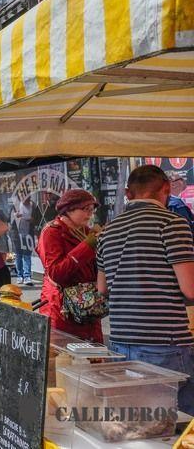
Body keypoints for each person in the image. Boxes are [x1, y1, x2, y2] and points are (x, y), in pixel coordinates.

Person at [97, 166, 194, 414]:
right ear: (166, 189)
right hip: (164, 343)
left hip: (120, 342)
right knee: (177, 422)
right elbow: (190, 289)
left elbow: (102, 288)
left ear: (127, 193)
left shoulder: (108, 231)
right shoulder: (172, 223)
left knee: (136, 422)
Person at [36, 189, 103, 342]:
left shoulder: (85, 231)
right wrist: (87, 246)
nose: (90, 214)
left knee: (93, 354)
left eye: (92, 210)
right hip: (61, 311)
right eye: (85, 209)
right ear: (69, 209)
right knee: (65, 353)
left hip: (89, 308)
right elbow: (56, 273)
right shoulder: (51, 232)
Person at [15, 196, 34, 285]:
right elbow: (9, 217)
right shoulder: (16, 204)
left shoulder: (33, 205)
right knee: (18, 255)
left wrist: (31, 219)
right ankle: (20, 275)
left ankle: (27, 276)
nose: (24, 198)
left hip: (28, 233)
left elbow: (36, 218)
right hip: (18, 234)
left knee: (27, 255)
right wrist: (16, 216)